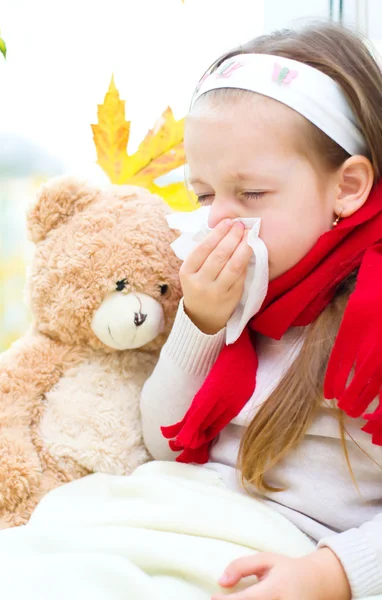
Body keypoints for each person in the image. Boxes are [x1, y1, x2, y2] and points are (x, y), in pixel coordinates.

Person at [140, 21, 382, 600]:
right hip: (169, 515)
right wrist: (199, 325)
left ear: (346, 188)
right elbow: (164, 442)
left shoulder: (369, 321)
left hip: (279, 557)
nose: (220, 219)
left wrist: (335, 575)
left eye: (250, 195)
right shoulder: (240, 295)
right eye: (203, 195)